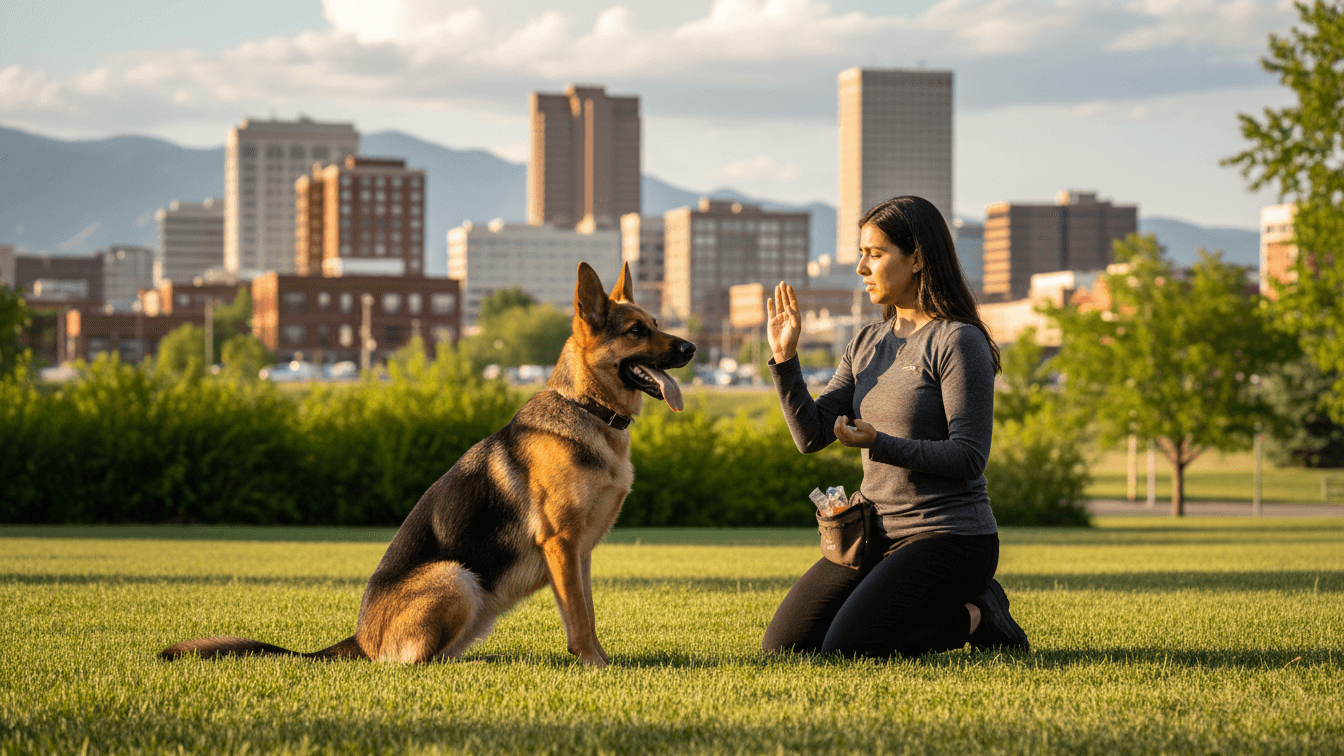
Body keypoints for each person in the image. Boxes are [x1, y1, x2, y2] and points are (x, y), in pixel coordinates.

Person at [761, 195, 1029, 658]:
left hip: (948, 536)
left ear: (918, 258)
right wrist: (786, 360)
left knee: (849, 649)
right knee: (783, 649)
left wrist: (881, 444)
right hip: (871, 533)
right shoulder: (866, 342)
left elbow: (969, 457)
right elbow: (811, 436)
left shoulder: (956, 340)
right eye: (862, 254)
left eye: (876, 254)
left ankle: (980, 613)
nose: (862, 268)